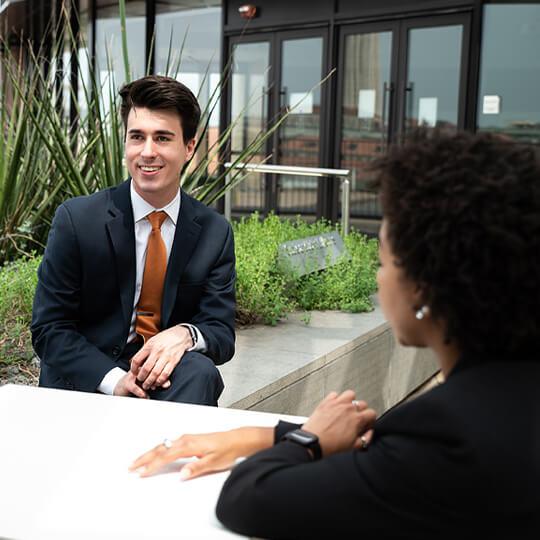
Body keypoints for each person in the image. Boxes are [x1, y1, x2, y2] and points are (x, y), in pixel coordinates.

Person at [129, 130, 540, 537]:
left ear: (423, 286)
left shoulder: (444, 437)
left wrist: (306, 439)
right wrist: (269, 433)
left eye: (383, 259)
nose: (380, 280)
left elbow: (250, 499)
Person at [31, 75, 236, 406]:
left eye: (163, 138)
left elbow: (221, 333)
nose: (148, 152)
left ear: (189, 147)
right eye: (137, 137)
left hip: (162, 375)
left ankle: (168, 456)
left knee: (201, 373)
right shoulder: (77, 220)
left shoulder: (214, 232)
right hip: (89, 376)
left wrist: (184, 335)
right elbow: (49, 329)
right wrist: (114, 381)